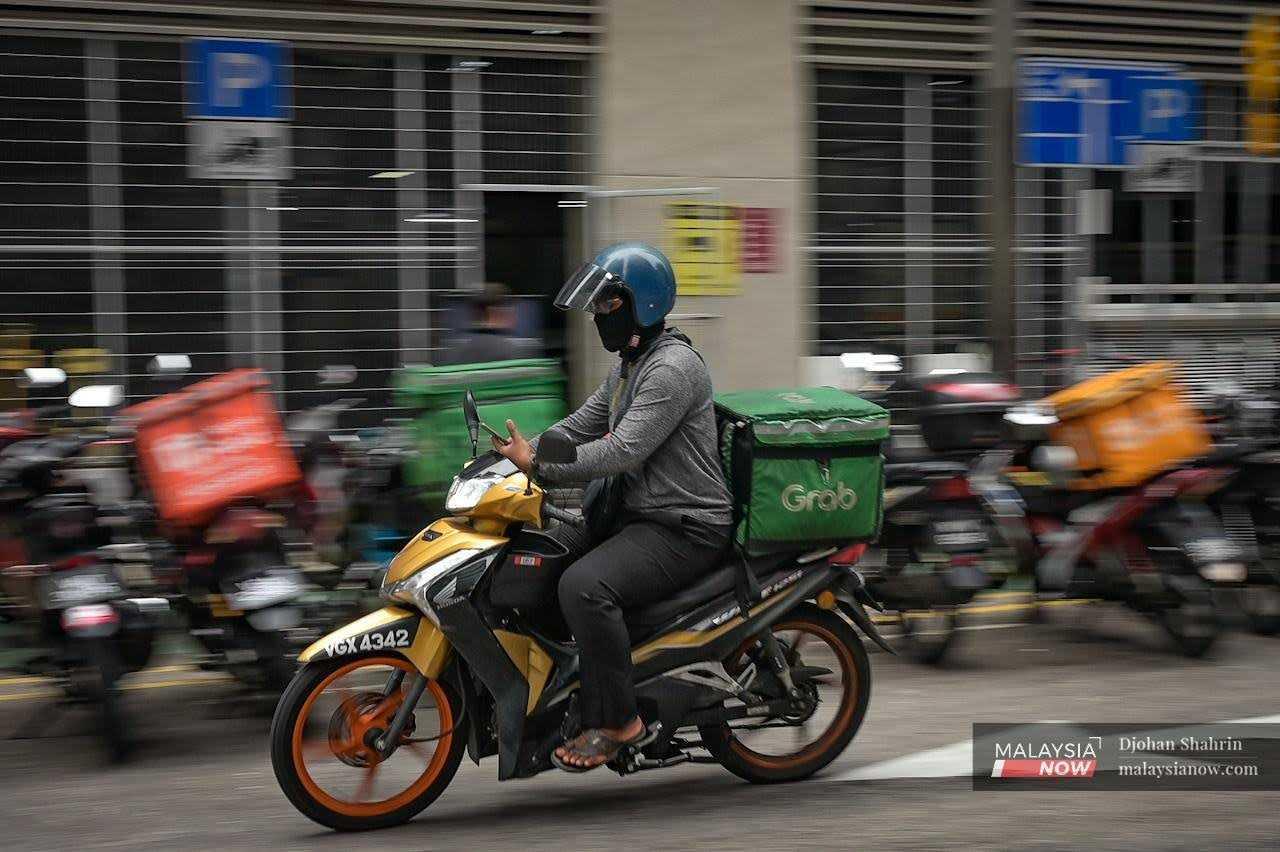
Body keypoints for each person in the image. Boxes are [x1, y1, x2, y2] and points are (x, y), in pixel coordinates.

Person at [491, 242, 733, 772]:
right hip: (639, 513)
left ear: (641, 304)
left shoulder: (671, 369)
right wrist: (517, 454)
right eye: (597, 306)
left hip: (684, 524)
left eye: (607, 304)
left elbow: (623, 450)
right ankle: (573, 692)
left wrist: (543, 466)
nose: (599, 315)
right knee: (544, 555)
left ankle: (621, 721)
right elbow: (580, 426)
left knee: (585, 586)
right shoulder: (629, 364)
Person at [451, 282, 540, 364]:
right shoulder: (517, 352)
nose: (512, 311)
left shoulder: (456, 350)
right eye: (507, 306)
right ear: (493, 311)